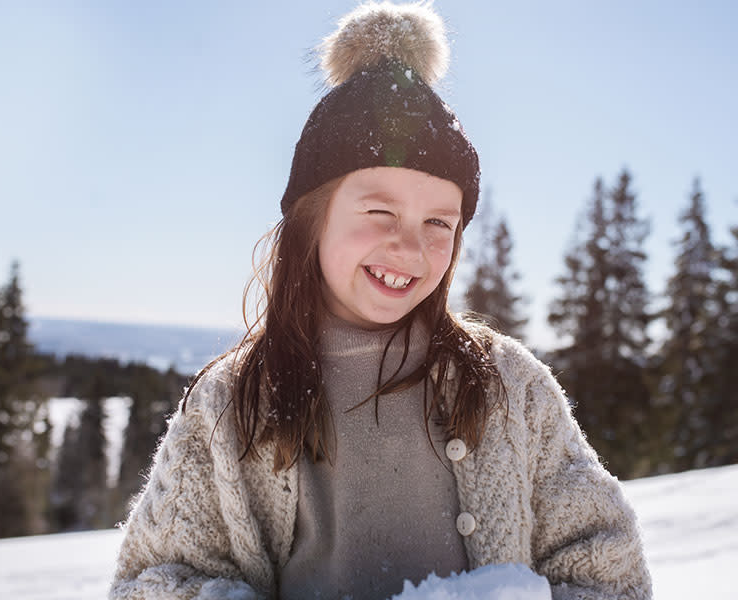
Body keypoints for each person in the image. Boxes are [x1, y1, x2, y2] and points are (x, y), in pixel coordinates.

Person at [109, 3, 652, 599]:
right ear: (311, 220)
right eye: (380, 212)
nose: (409, 247)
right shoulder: (232, 403)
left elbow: (610, 571)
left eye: (439, 223)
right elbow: (152, 581)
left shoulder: (509, 388)